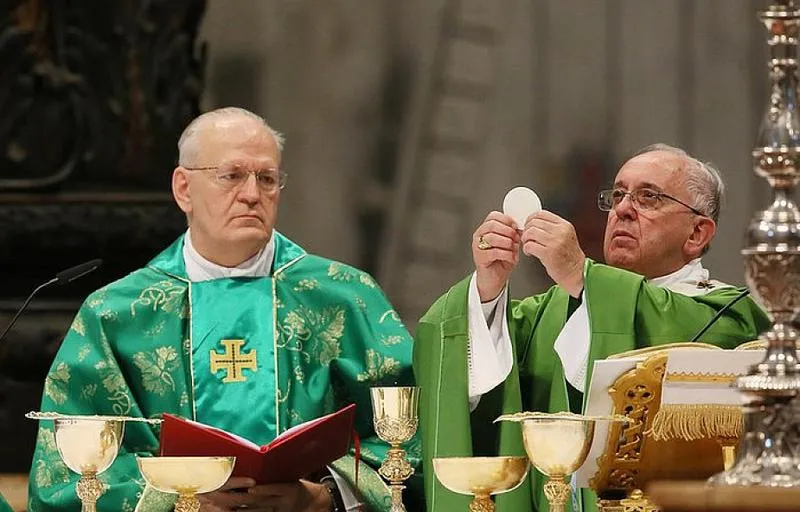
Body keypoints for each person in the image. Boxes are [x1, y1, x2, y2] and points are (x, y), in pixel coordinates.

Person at [28, 107, 419, 511]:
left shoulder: (343, 297)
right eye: (231, 176)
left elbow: (412, 440)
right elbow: (65, 472)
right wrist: (179, 500)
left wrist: (325, 496)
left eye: (267, 178)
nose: (252, 193)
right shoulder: (116, 314)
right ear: (183, 189)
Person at [413, 144, 770, 512]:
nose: (623, 210)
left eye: (648, 197)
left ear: (696, 233)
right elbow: (459, 350)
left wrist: (580, 274)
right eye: (618, 195)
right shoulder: (555, 309)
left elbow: (676, 334)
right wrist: (487, 289)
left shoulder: (729, 315)